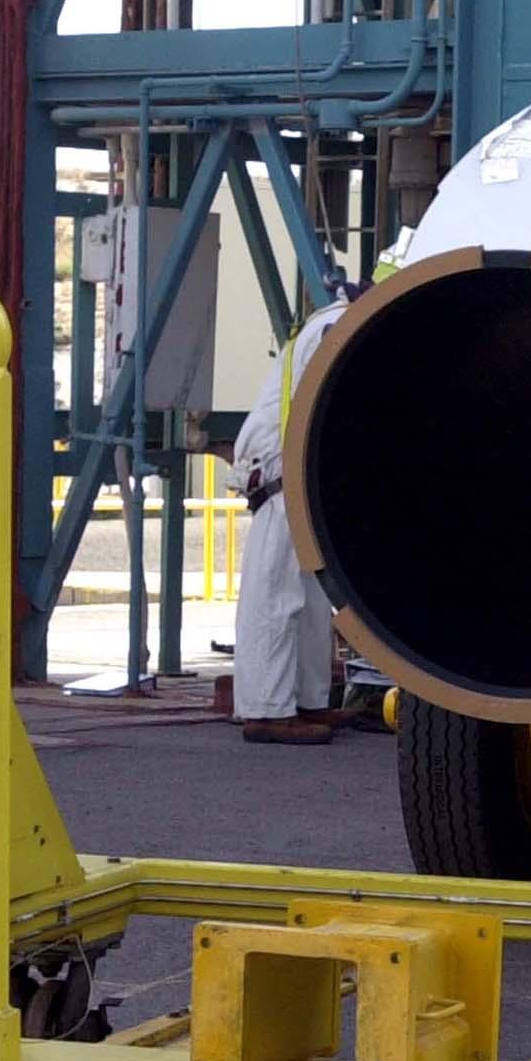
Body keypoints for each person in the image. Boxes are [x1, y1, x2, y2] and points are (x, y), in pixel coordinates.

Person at [230, 294, 353, 744]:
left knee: (312, 598)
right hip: (282, 467)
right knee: (277, 594)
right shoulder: (336, 329)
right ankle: (266, 710)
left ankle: (307, 701)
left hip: (300, 466)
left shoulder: (337, 323)